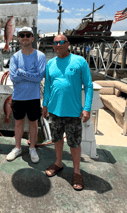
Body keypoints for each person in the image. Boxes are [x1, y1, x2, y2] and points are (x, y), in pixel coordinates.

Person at [42, 34, 93, 191]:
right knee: (57, 138)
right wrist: (45, 105)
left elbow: (89, 86)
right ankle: (58, 162)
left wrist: (87, 108)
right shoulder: (50, 63)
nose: (58, 45)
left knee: (74, 143)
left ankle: (77, 171)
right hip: (55, 110)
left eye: (62, 42)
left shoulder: (79, 61)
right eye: (55, 43)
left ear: (68, 44)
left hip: (73, 112)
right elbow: (48, 87)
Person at [7, 27, 46, 163]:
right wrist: (31, 74)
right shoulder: (14, 57)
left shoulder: (40, 56)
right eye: (22, 35)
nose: (25, 37)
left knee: (33, 123)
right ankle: (17, 147)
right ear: (19, 39)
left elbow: (39, 78)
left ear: (32, 38)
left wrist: (22, 72)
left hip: (34, 97)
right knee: (18, 123)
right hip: (18, 97)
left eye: (28, 35)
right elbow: (13, 77)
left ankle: (32, 148)